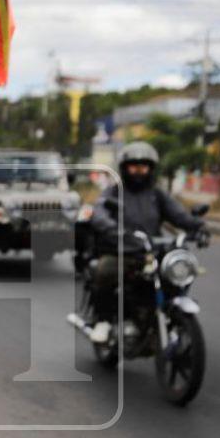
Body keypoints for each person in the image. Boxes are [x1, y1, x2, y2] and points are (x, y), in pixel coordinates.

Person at [83, 141, 207, 342]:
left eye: (143, 166)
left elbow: (178, 215)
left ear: (150, 168)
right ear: (125, 168)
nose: (139, 171)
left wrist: (198, 227)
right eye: (134, 166)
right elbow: (99, 214)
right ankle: (103, 321)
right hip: (122, 250)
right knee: (104, 270)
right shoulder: (114, 192)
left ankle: (166, 313)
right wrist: (114, 230)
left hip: (152, 252)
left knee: (175, 274)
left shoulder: (157, 194)